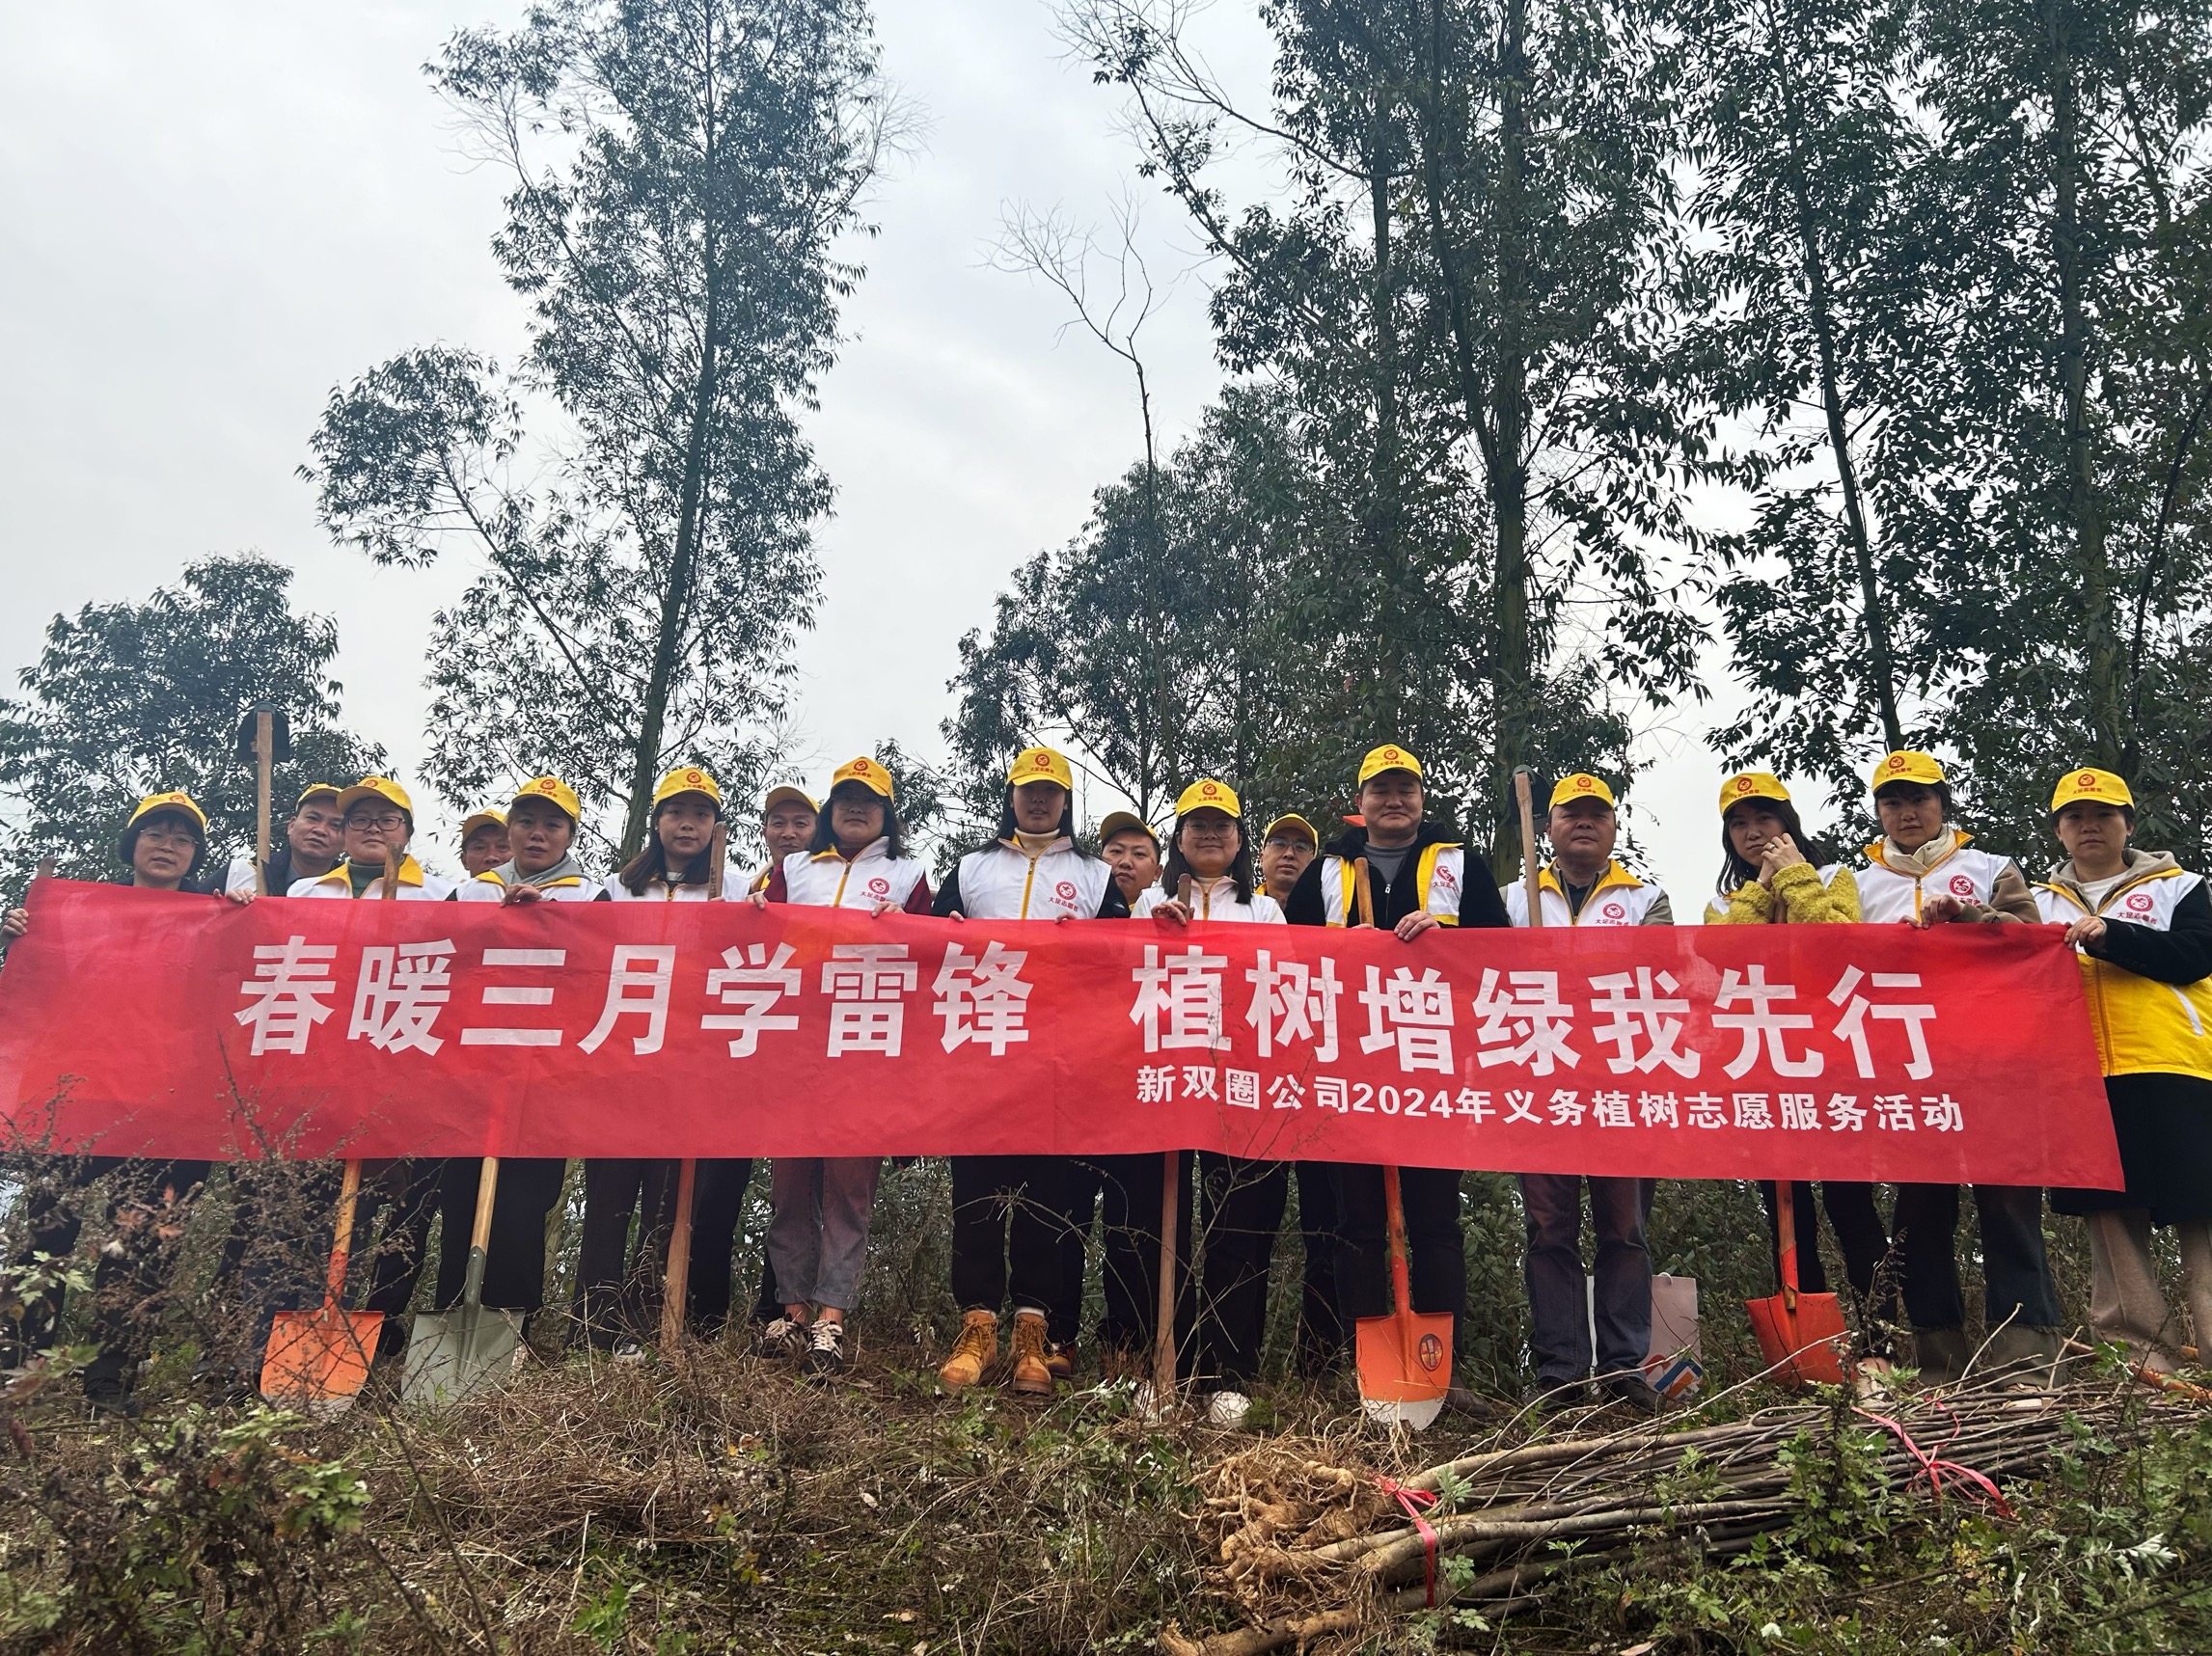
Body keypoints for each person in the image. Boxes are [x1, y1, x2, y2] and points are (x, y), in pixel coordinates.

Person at [1285, 744, 1509, 1388]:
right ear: (1359, 803)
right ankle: (1368, 1364)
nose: (1393, 800)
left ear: (1421, 798)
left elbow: (1501, 956)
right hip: (1346, 1069)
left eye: (1404, 788)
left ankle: (1444, 1366)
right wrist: (1341, 949)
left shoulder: (1460, 867)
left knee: (1435, 1218)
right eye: (1380, 789)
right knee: (1354, 1222)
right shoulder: (1324, 873)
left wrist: (1448, 940)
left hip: (1431, 1067)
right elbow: (1286, 958)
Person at [1, 792, 229, 1410]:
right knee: (48, 1237)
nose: (167, 844)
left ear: (194, 856)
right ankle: (20, 1370)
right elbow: (36, 992)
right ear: (131, 846)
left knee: (146, 1245)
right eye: (154, 832)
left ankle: (110, 1381)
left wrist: (248, 920)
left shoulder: (216, 923)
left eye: (182, 838)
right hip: (80, 1101)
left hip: (172, 1108)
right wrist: (18, 939)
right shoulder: (80, 917)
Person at [1856, 748, 2061, 1381]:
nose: (1906, 811)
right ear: (1879, 812)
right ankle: (1936, 1362)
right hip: (1907, 1072)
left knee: (2007, 1205)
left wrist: (1968, 916)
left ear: (1942, 802)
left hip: (1994, 1064)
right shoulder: (1855, 885)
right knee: (1918, 1214)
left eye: (1918, 798)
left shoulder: (1989, 867)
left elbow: (2033, 943)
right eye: (1892, 801)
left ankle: (2024, 1363)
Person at [933, 746, 1130, 1396]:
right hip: (980, 1057)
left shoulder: (1097, 877)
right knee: (978, 1198)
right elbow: (926, 943)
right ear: (1010, 795)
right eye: (1027, 789)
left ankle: (1031, 1337)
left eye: (1050, 791)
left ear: (1065, 799)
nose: (1038, 800)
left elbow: (1123, 965)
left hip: (1059, 1061)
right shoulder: (970, 867)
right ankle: (977, 1327)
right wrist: (943, 928)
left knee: (1049, 1201)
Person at [1705, 772, 1897, 1371]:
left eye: (1765, 818)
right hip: (1760, 1065)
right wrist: (1761, 890)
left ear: (1788, 821)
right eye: (1740, 823)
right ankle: (1811, 1351)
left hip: (1832, 1061)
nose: (1754, 831)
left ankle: (1878, 1344)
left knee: (1853, 1205)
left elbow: (1839, 942)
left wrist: (1792, 877)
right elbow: (1725, 957)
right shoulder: (1720, 903)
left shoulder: (1838, 878)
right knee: (1788, 1211)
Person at [749, 755, 932, 1379]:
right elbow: (753, 945)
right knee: (790, 1187)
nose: (856, 809)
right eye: (846, 799)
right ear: (830, 809)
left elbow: (931, 964)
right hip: (794, 1052)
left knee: (849, 1193)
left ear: (887, 813)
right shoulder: (792, 869)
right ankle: (791, 1309)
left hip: (867, 1053)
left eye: (870, 800)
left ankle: (832, 1317)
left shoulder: (908, 875)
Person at [1501, 773, 1669, 1411]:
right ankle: (1560, 1371)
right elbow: (1471, 972)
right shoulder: (1512, 899)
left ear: (1612, 828)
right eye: (1571, 814)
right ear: (1547, 827)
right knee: (1548, 1230)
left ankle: (1624, 1366)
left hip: (1622, 1086)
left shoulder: (1645, 898)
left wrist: (1566, 966)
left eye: (1597, 814)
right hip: (1539, 1088)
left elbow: (1654, 969)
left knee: (1623, 1229)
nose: (1584, 823)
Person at [2038, 768, 2212, 1373]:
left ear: (2128, 825)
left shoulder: (2182, 887)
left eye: (2104, 815)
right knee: (2110, 1218)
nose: (2089, 825)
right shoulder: (2036, 905)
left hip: (2176, 1066)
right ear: (2059, 831)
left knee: (2202, 1208)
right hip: (2079, 1075)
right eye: (2075, 817)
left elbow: (2194, 956)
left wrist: (2112, 936)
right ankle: (2142, 1363)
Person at [579, 766, 748, 1353]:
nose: (688, 824)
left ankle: (650, 1323)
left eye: (701, 814)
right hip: (620, 1067)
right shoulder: (618, 887)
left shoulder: (733, 890)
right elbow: (580, 955)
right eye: (677, 812)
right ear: (656, 821)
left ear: (716, 827)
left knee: (669, 1203)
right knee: (607, 1200)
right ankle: (594, 1329)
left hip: (690, 1072)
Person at [290, 776, 458, 1359]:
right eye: (358, 820)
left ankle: (378, 1334)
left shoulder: (443, 896)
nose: (371, 829)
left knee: (393, 1215)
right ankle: (299, 1332)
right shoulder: (309, 893)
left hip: (402, 1079)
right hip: (318, 1079)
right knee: (313, 1213)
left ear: (408, 834)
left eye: (386, 821)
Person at [1136, 778, 1282, 1425]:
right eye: (1196, 824)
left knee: (1235, 1225)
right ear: (1178, 837)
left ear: (1240, 839)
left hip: (1237, 1084)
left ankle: (1229, 1370)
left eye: (1221, 824)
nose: (1209, 834)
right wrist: (1156, 932)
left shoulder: (1265, 911)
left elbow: (1281, 985)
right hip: (1162, 1078)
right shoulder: (1146, 899)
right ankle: (1161, 1362)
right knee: (1156, 1224)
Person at [446, 776, 596, 1340]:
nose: (538, 834)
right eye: (527, 822)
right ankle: (449, 1323)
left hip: (545, 1077)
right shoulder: (470, 893)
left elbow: (597, 975)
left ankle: (514, 1328)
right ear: (509, 831)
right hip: (469, 1073)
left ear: (569, 836)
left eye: (552, 825)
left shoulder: (592, 896)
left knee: (523, 1206)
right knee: (461, 1201)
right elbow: (436, 962)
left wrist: (548, 921)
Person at [221, 781, 343, 895]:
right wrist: (222, 908)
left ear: (347, 843)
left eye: (335, 825)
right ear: (291, 826)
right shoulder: (238, 874)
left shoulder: (351, 894)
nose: (320, 830)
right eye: (313, 818)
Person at [746, 786, 819, 895]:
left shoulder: (831, 885)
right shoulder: (750, 894)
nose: (788, 834)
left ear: (819, 832)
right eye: (778, 823)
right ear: (764, 834)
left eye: (800, 823)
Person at [1099, 811, 1162, 909]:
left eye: (1139, 854)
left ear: (1157, 873)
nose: (1125, 862)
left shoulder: (1166, 917)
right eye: (1116, 851)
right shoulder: (1079, 910)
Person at [1258, 813, 1318, 908]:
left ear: (1314, 864)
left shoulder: (1330, 913)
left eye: (1301, 847)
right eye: (1279, 843)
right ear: (1261, 858)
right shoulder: (1241, 912)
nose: (1289, 854)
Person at [458, 808, 510, 879]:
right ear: (464, 861)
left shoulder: (530, 886)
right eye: (479, 848)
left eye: (502, 847)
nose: (491, 857)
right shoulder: (452, 889)